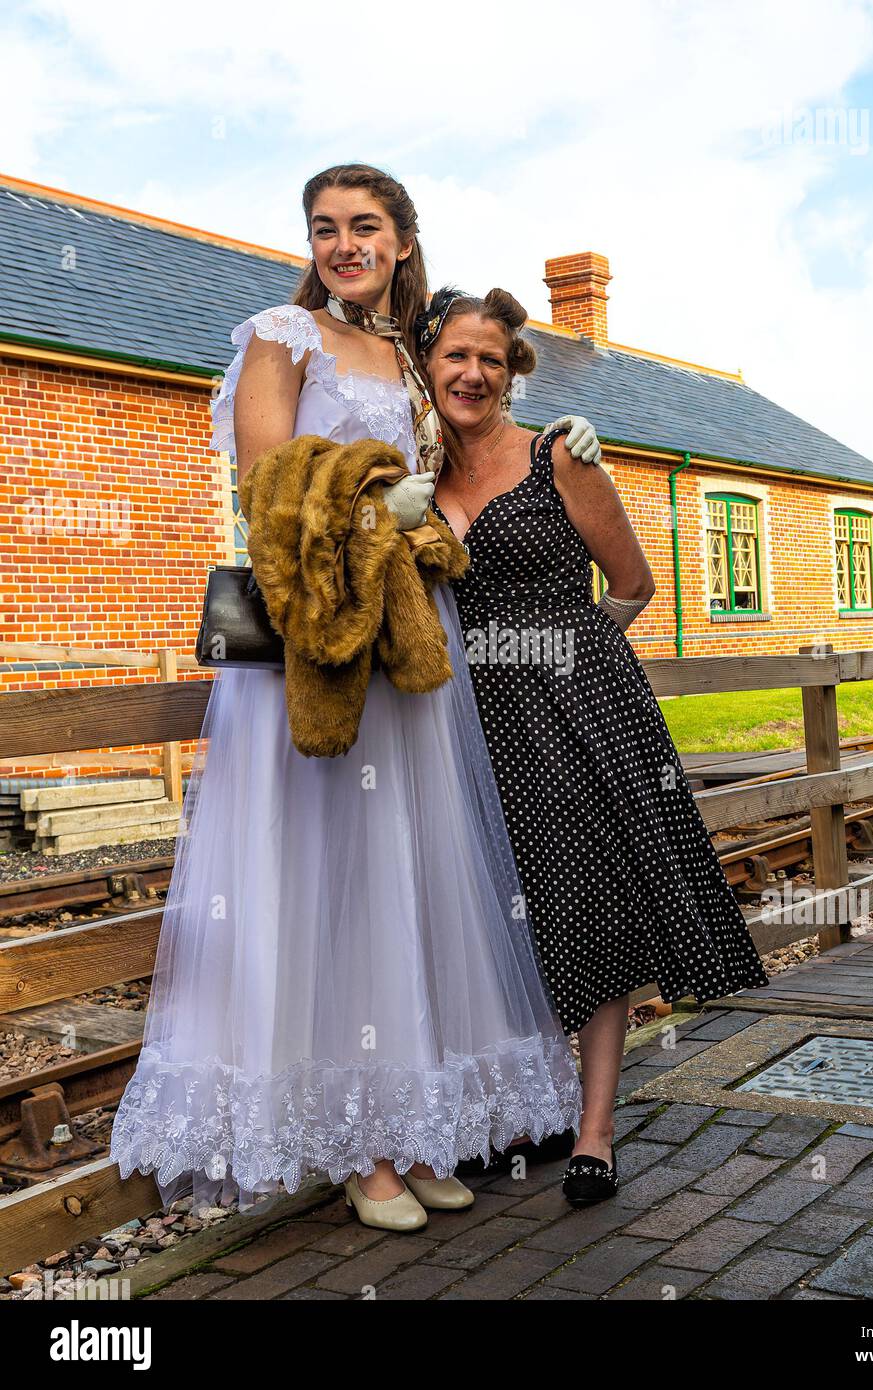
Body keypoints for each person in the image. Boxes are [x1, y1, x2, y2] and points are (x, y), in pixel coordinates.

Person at [109, 164, 589, 1234]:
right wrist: (379, 492)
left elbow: (475, 455)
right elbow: (267, 481)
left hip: (406, 639)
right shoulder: (281, 333)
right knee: (328, 874)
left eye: (364, 226)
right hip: (318, 645)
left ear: (402, 240)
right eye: (325, 228)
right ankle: (358, 1149)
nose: (344, 244)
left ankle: (408, 1129)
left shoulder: (412, 360)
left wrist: (554, 456)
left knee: (407, 879)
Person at [418, 286, 770, 1205]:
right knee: (491, 913)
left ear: (513, 372)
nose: (472, 373)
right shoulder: (409, 473)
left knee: (586, 905)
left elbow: (635, 583)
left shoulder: (558, 457)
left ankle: (595, 1130)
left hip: (571, 716)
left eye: (491, 358)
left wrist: (571, 661)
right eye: (456, 355)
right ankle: (519, 1109)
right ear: (427, 365)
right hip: (459, 720)